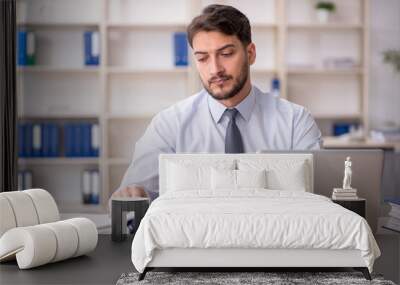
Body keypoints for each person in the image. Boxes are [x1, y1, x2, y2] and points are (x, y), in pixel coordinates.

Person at [110, 4, 322, 202]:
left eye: (226, 54)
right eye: (202, 58)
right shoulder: (170, 125)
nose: (215, 69)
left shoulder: (295, 122)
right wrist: (130, 196)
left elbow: (320, 199)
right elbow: (129, 197)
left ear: (250, 54)